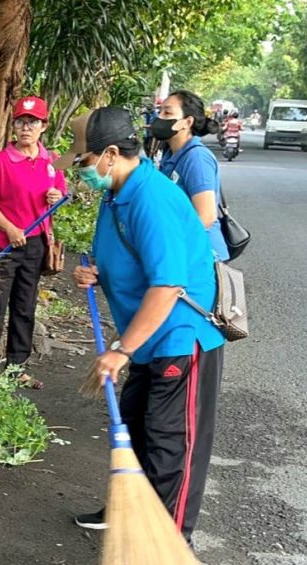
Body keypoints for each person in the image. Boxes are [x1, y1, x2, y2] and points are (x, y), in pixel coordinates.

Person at [54, 107, 224, 542]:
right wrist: (95, 273)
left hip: (178, 337)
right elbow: (130, 258)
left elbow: (167, 285)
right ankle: (130, 514)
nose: (81, 169)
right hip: (147, 337)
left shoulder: (152, 199)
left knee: (171, 446)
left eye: (84, 160)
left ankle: (169, 546)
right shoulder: (116, 192)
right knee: (133, 426)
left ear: (111, 153)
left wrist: (121, 350)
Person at [0, 95, 67, 387]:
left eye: (33, 122)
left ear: (43, 126)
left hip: (35, 243)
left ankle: (17, 366)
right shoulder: (1, 161)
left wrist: (57, 197)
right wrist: (10, 228)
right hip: (2, 244)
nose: (26, 127)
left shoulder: (51, 161)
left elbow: (60, 195)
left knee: (25, 305)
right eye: (21, 121)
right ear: (13, 126)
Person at [150, 90, 229, 262]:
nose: (159, 117)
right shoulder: (169, 153)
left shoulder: (196, 158)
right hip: (181, 251)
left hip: (200, 257)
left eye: (167, 112)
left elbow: (206, 217)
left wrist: (168, 244)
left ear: (187, 122)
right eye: (160, 111)